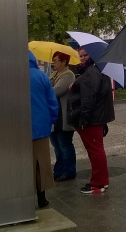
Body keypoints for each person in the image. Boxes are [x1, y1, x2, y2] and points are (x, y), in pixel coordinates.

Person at [67, 47, 115, 194]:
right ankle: (100, 181)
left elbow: (89, 98)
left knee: (95, 151)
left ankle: (98, 183)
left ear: (92, 55)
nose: (82, 58)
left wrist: (84, 119)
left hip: (90, 119)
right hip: (95, 118)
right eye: (80, 55)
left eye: (85, 55)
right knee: (96, 150)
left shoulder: (91, 72)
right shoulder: (96, 70)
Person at [29, 51, 59, 208]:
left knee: (23, 164)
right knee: (41, 162)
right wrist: (50, 121)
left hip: (17, 130)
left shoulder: (10, 76)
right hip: (40, 126)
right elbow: (52, 103)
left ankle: (24, 198)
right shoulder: (41, 76)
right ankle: (42, 198)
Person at [49, 51, 77, 182]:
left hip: (63, 117)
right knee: (56, 146)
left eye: (56, 60)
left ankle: (69, 171)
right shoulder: (53, 74)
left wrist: (46, 88)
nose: (53, 63)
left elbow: (55, 91)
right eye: (53, 60)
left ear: (64, 62)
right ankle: (58, 171)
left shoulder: (68, 75)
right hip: (54, 117)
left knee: (65, 145)